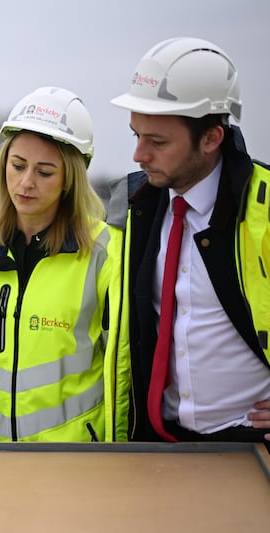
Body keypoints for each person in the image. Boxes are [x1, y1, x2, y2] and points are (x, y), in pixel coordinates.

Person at [0, 87, 130, 442]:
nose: (26, 182)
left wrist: (115, 462)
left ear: (71, 179)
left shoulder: (107, 255)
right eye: (17, 165)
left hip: (75, 469)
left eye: (45, 172)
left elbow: (121, 375)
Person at [107, 37, 270, 444]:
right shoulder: (132, 208)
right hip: (160, 448)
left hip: (250, 449)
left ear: (212, 138)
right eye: (136, 135)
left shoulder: (266, 207)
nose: (139, 155)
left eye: (157, 141)